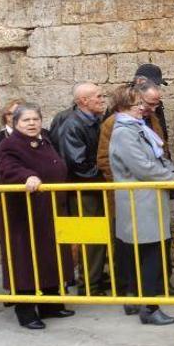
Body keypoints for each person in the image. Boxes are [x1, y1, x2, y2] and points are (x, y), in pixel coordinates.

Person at [0, 103, 75, 329]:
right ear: (15, 123)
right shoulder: (9, 145)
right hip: (23, 213)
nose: (31, 124)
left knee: (51, 257)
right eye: (26, 120)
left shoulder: (45, 140)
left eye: (35, 119)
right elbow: (8, 168)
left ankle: (51, 304)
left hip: (48, 210)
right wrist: (27, 176)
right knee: (25, 261)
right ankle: (26, 310)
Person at [97, 78, 174, 296]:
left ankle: (144, 298)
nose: (144, 108)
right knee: (141, 253)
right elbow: (141, 166)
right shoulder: (123, 129)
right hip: (138, 199)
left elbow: (158, 153)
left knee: (149, 252)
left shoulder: (140, 124)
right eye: (140, 104)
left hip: (147, 198)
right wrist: (170, 177)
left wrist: (168, 170)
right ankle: (143, 302)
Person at [56, 82, 107, 295]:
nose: (103, 99)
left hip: (92, 187)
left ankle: (93, 280)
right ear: (83, 101)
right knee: (89, 238)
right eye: (98, 96)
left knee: (96, 237)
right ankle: (89, 285)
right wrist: (103, 174)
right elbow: (77, 163)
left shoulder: (94, 121)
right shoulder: (73, 125)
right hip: (84, 190)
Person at [0, 98, 25, 184]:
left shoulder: (39, 135)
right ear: (4, 116)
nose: (13, 117)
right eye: (9, 114)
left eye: (17, 113)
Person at [134, 64, 171, 147]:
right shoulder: (120, 108)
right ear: (140, 82)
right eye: (153, 84)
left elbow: (163, 136)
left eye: (158, 85)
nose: (156, 88)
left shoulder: (157, 106)